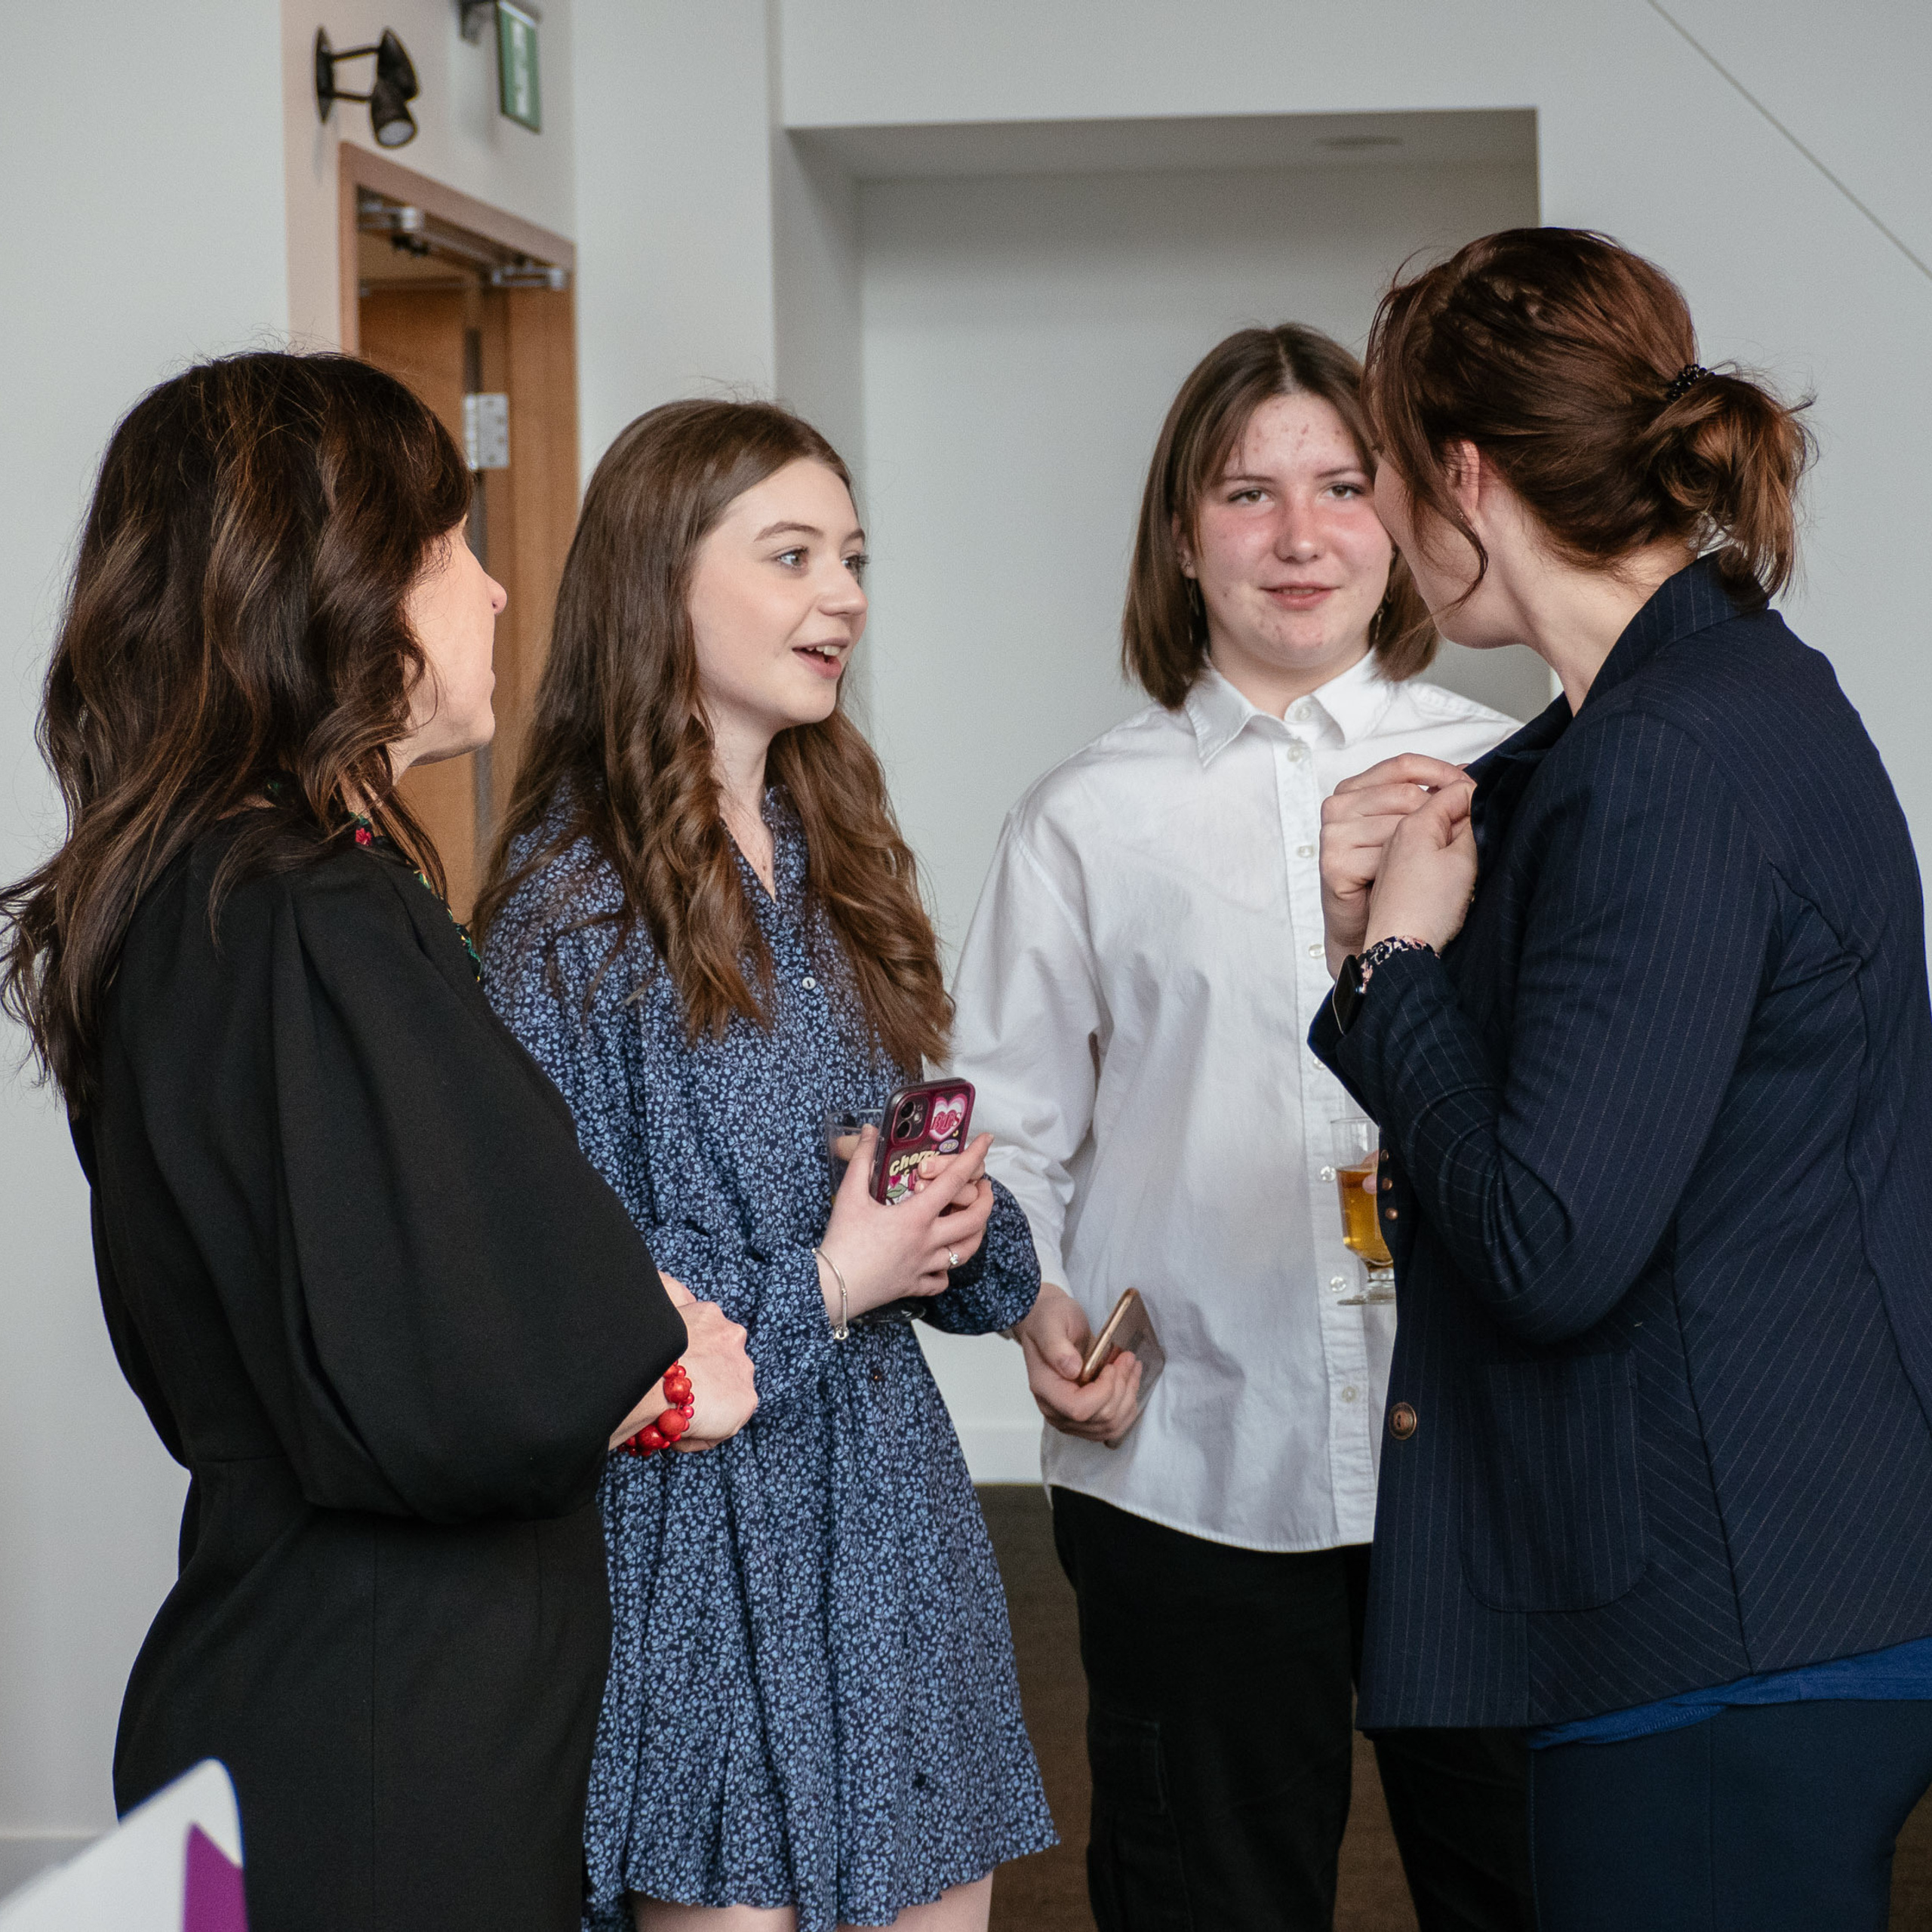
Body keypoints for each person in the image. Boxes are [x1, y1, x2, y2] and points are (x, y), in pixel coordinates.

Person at [0, 352, 758, 1932]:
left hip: (317, 1681)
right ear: (337, 596)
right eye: (449, 549)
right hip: (387, 1735)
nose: (490, 589)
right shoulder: (308, 918)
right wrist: (658, 1359)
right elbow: (458, 1379)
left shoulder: (205, 896)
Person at [1312, 226, 1932, 1931]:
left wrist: (1394, 967)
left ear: (1461, 474)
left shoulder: (1662, 758)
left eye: (1370, 478)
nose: (1365, 534)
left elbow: (1544, 1236)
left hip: (1724, 1627)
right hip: (1778, 1596)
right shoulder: (1707, 694)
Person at [946, 325, 1531, 1930]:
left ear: (1402, 517)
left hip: (1480, 1466)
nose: (1296, 536)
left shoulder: (1503, 775)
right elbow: (1008, 1127)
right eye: (1246, 492)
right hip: (1191, 1469)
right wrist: (1034, 1298)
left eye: (1342, 486)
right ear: (1180, 534)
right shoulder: (1084, 814)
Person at [475, 398, 1055, 1932]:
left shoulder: (828, 843)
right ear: (658, 581)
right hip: (697, 1558)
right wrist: (827, 1274)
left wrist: (953, 1226)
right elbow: (561, 1304)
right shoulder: (562, 915)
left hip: (892, 1523)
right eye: (791, 553)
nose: (844, 594)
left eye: (852, 557)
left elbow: (896, 1187)